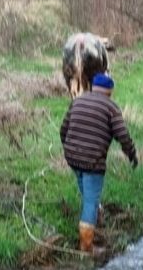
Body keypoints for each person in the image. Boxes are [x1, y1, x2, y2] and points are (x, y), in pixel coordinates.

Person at [59, 73, 137, 254]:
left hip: (72, 157)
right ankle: (87, 247)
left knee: (87, 192)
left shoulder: (77, 101)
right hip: (93, 161)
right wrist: (131, 154)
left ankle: (94, 219)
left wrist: (70, 149)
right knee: (91, 202)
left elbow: (63, 130)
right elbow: (123, 136)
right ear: (109, 91)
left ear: (93, 87)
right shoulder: (111, 108)